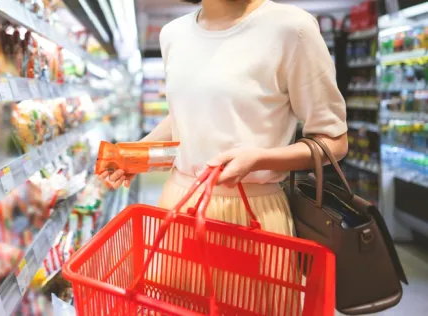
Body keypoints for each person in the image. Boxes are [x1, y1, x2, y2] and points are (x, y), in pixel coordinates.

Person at [99, 0, 347, 314]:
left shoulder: (292, 28)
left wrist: (259, 159)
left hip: (251, 214)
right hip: (180, 206)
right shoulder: (173, 34)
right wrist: (135, 155)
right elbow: (181, 116)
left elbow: (334, 142)